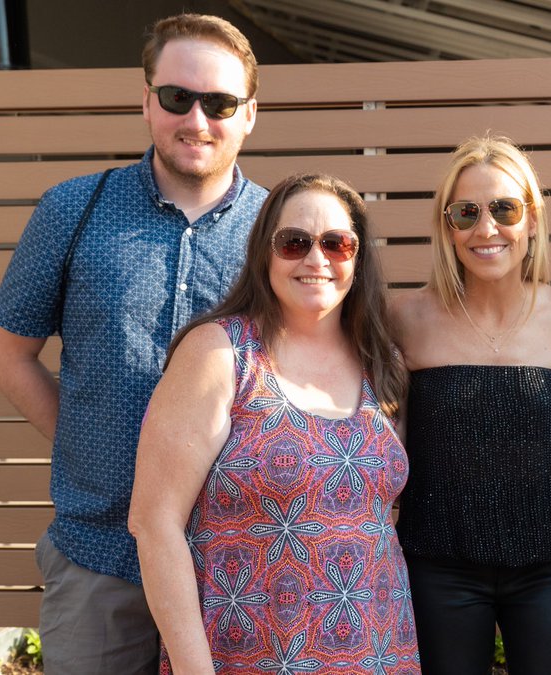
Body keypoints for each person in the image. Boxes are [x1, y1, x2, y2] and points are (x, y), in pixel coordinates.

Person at [0, 14, 265, 674]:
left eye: (220, 103)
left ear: (249, 114)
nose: (197, 120)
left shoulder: (281, 232)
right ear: (146, 100)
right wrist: (87, 444)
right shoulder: (73, 209)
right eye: (177, 97)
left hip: (239, 563)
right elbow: (6, 354)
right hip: (100, 559)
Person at [128, 173, 417, 673]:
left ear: (358, 257)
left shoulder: (382, 362)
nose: (316, 258)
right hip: (246, 659)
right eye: (294, 242)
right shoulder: (220, 354)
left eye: (337, 243)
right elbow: (154, 524)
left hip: (378, 654)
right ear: (265, 252)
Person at [388, 135, 551, 674]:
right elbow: (394, 441)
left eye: (504, 208)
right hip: (437, 563)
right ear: (446, 225)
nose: (486, 229)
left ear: (531, 218)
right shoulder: (406, 320)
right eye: (466, 212)